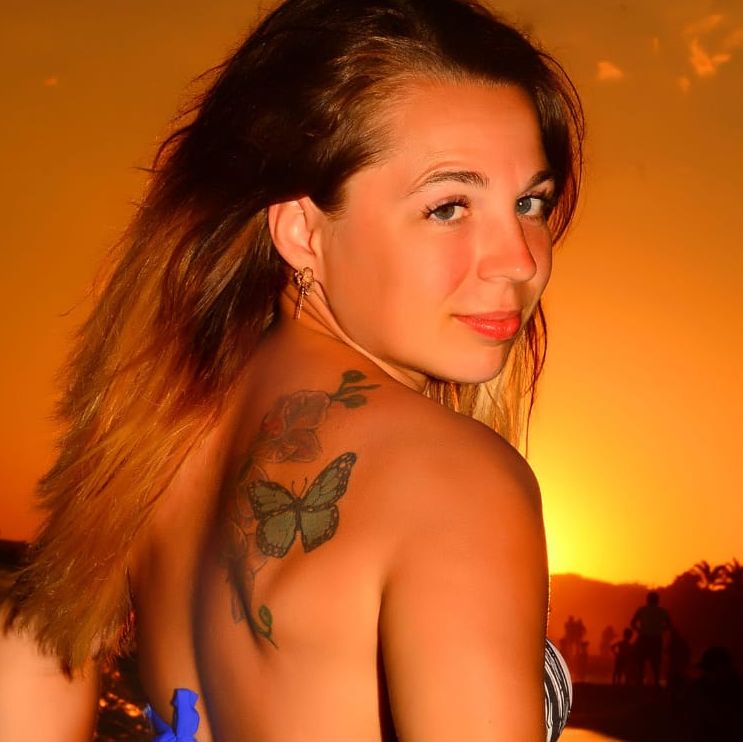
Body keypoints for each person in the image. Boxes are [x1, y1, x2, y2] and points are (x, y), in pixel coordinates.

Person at [0, 0, 583, 739]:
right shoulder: (455, 479)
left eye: (529, 201)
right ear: (303, 230)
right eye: (448, 207)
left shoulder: (139, 463)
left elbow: (26, 666)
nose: (519, 260)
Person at [630, 590, 672, 687]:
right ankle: (656, 681)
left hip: (643, 637)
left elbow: (632, 623)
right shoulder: (663, 611)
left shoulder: (641, 610)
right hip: (656, 638)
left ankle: (640, 681)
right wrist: (660, 629)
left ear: (647, 600)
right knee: (656, 661)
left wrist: (638, 630)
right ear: (657, 600)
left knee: (640, 660)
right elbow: (669, 625)